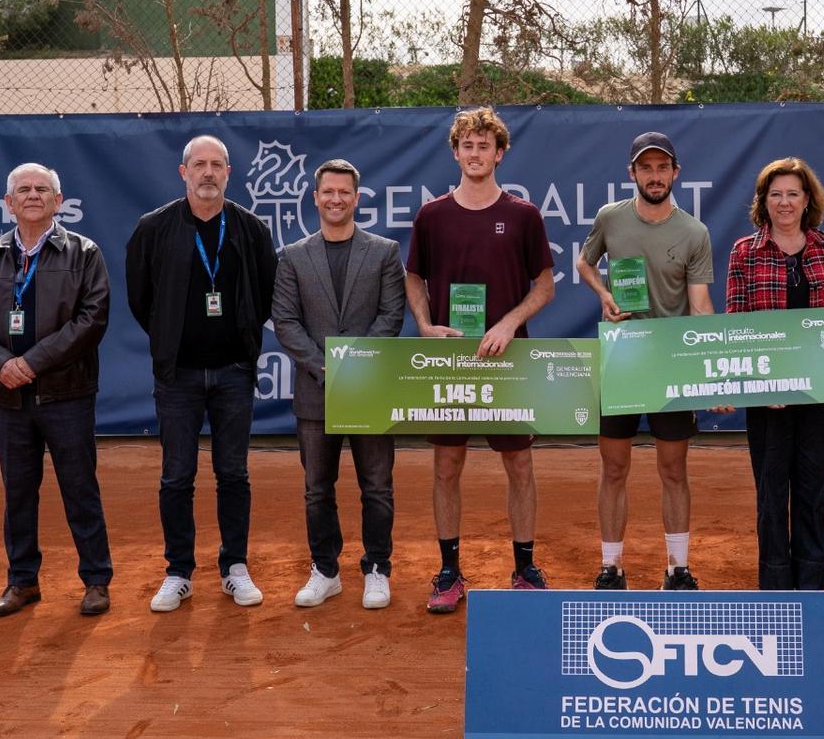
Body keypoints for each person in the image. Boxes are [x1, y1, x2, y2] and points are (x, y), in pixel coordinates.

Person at [405, 106, 555, 613]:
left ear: (500, 153)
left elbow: (545, 285)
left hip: (508, 363)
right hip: (451, 364)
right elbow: (413, 277)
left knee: (519, 464)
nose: (475, 153)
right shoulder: (431, 216)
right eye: (466, 145)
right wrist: (425, 326)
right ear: (456, 152)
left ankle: (525, 567)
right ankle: (449, 572)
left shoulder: (523, 216)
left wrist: (510, 323)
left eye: (483, 145)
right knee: (447, 465)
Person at [126, 134, 277, 613]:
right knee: (176, 476)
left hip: (234, 372)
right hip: (178, 377)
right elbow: (140, 298)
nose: (208, 172)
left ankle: (235, 567)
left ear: (229, 173)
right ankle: (178, 572)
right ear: (183, 172)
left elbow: (267, 291)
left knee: (233, 473)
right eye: (199, 165)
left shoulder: (251, 229)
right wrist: (172, 337)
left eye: (217, 165)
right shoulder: (154, 228)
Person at [0, 162, 113, 618]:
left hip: (68, 395)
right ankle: (22, 582)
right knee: (18, 493)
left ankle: (96, 581)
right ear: (8, 203)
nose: (32, 195)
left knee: (80, 489)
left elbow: (91, 320)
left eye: (42, 189)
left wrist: (31, 362)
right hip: (9, 399)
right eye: (22, 189)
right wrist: (3, 364)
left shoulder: (84, 253)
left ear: (58, 201)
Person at [576, 130, 716, 591]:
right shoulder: (609, 218)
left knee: (673, 470)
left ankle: (677, 567)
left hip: (670, 366)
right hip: (620, 361)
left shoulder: (694, 232)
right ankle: (610, 567)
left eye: (662, 167)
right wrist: (603, 294)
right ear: (632, 173)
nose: (654, 176)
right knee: (613, 468)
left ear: (675, 172)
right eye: (645, 167)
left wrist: (715, 369)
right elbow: (584, 261)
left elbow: (699, 306)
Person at [272, 158, 406, 611]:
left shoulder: (385, 252)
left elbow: (391, 316)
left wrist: (356, 365)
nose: (335, 199)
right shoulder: (291, 256)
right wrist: (328, 367)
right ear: (315, 198)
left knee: (377, 487)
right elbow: (286, 322)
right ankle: (325, 570)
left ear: (356, 198)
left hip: (369, 390)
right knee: (317, 488)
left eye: (344, 192)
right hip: (316, 391)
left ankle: (377, 569)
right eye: (327, 192)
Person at [726, 156, 824, 591]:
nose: (784, 202)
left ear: (807, 199)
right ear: (763, 201)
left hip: (820, 396)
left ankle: (813, 585)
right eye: (775, 194)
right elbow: (736, 325)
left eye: (792, 193)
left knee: (814, 494)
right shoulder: (744, 252)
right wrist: (759, 384)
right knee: (772, 495)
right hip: (768, 399)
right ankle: (776, 586)